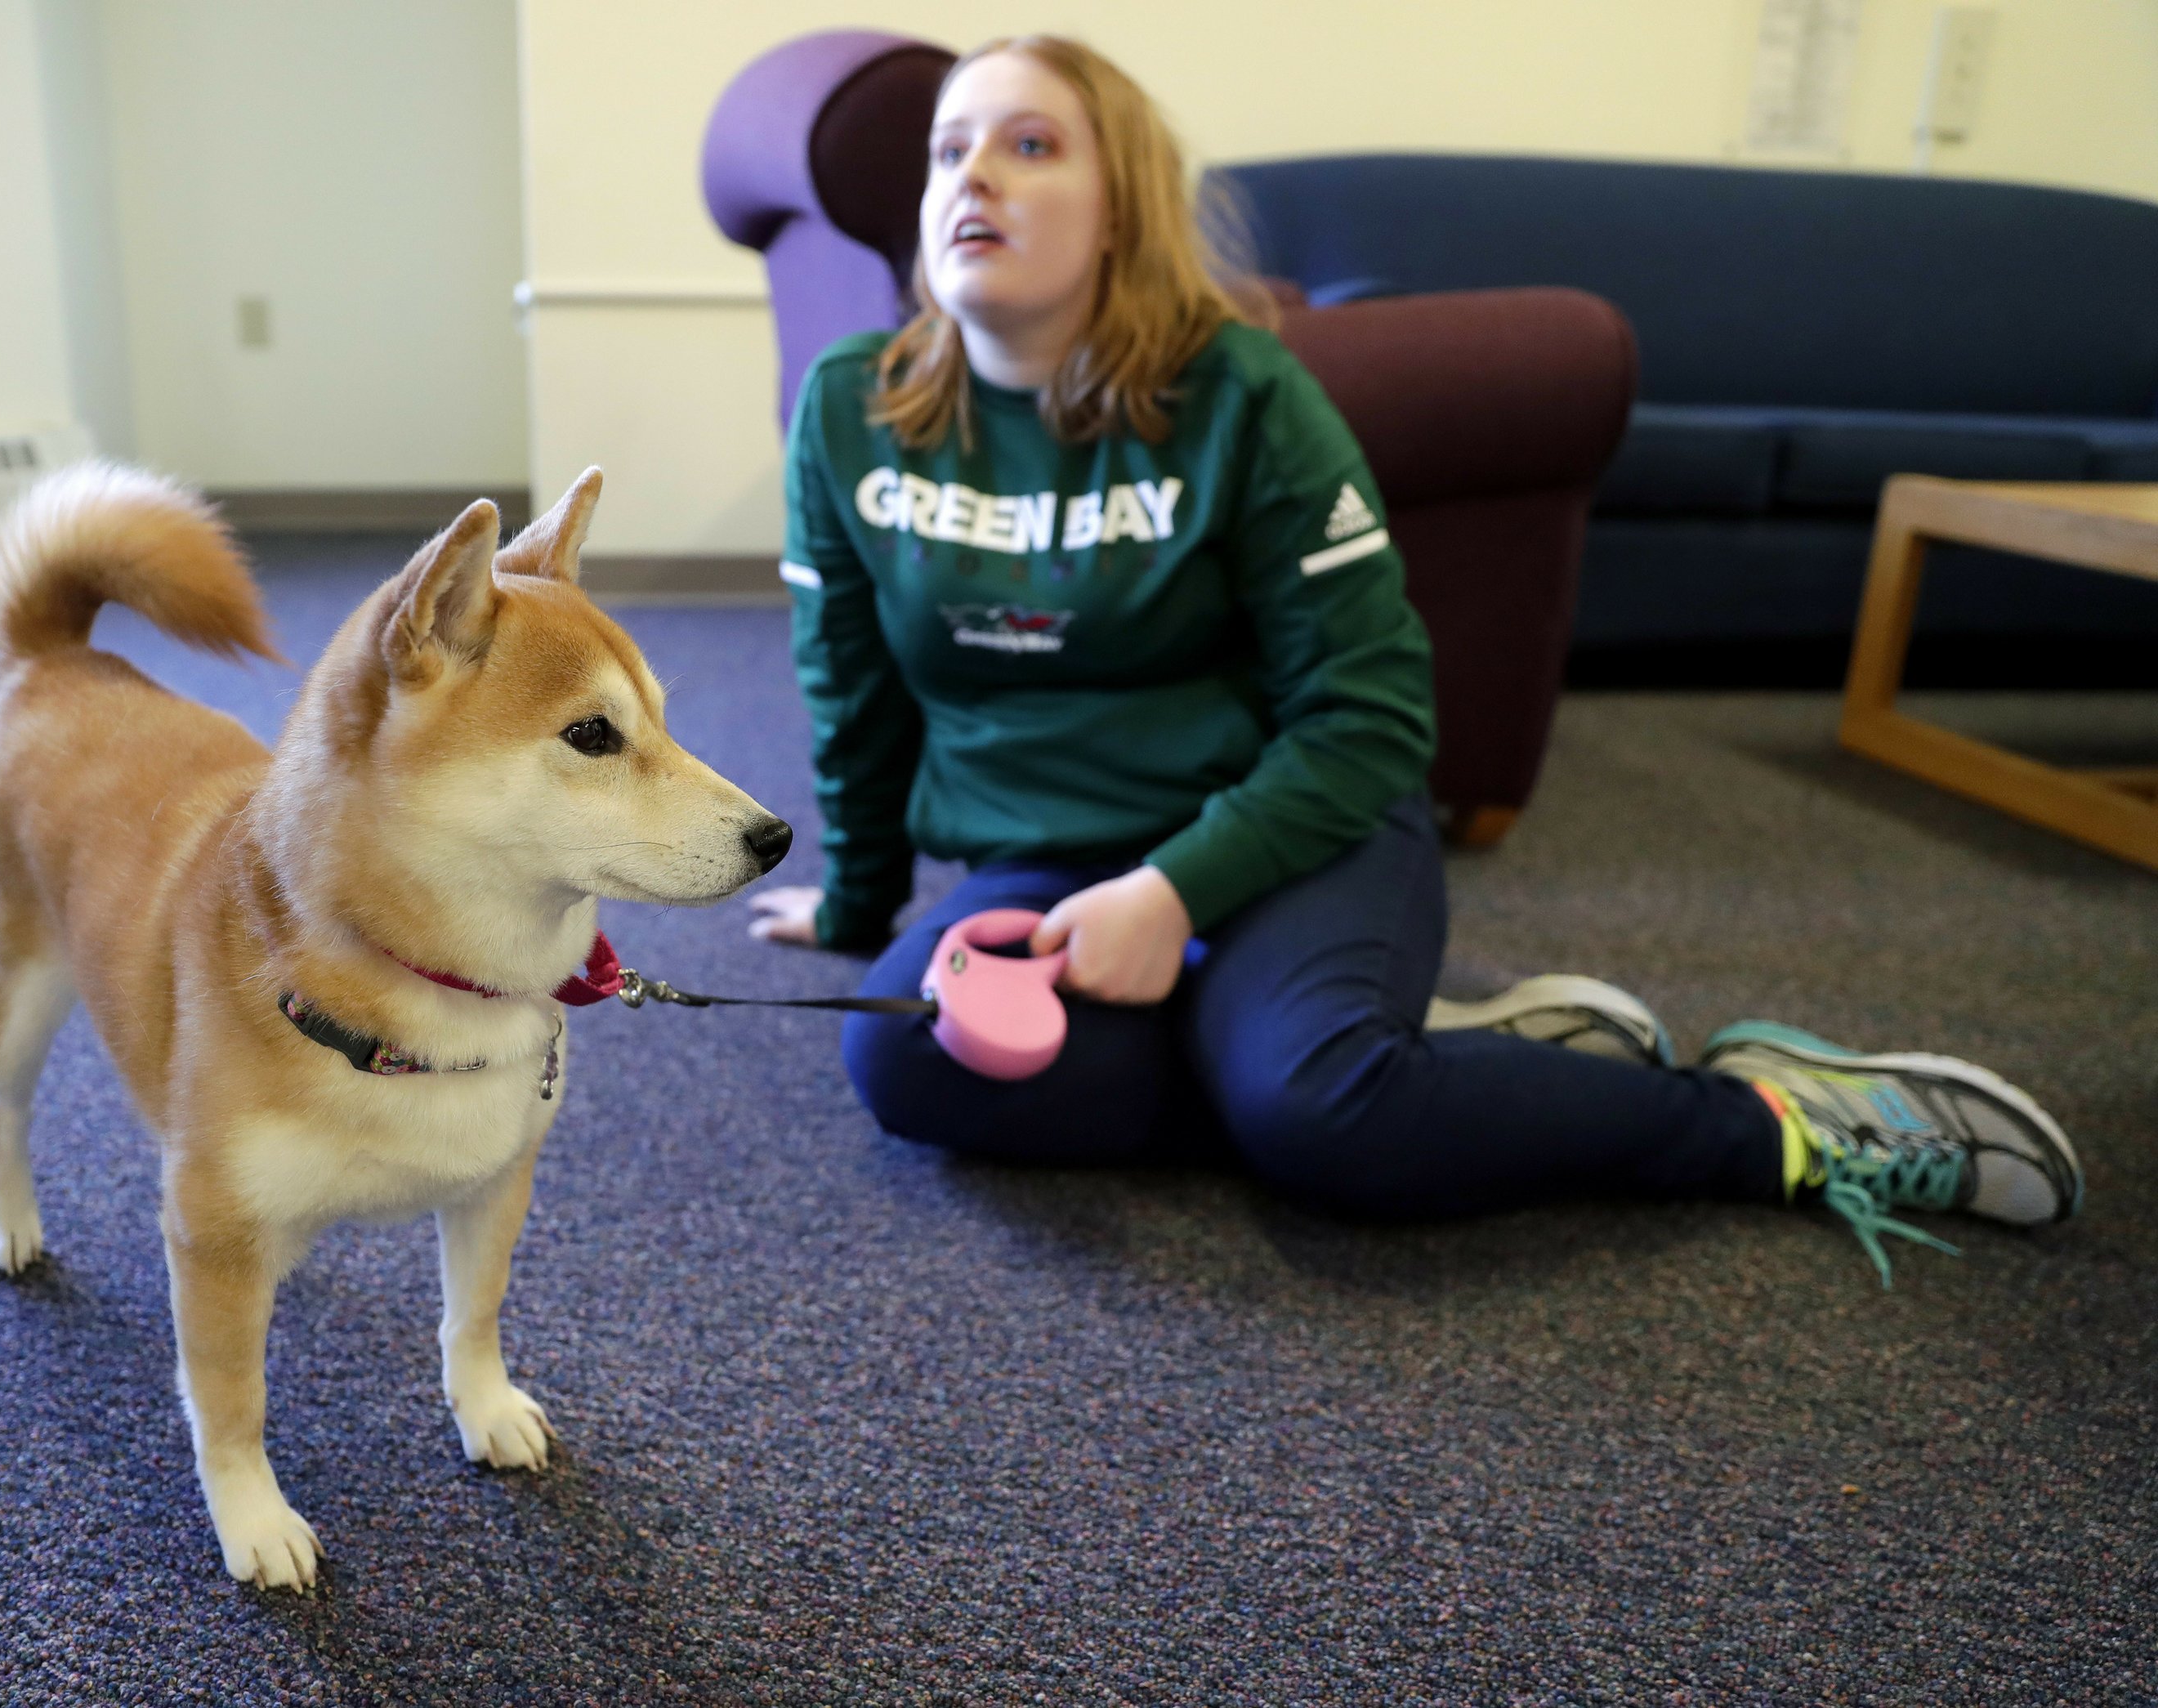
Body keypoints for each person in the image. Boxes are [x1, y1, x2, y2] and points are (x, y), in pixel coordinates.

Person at [745, 34, 2081, 1284]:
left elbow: (1372, 719)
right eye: (948, 148)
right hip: (1054, 856)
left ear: (1124, 208)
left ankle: (1774, 1120)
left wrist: (1175, 892)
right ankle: (1415, 1061)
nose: (972, 173)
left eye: (1031, 146)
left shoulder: (1246, 398)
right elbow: (851, 687)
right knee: (911, 1057)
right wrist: (861, 902)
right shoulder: (855, 410)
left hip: (1292, 819)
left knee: (1321, 1117)